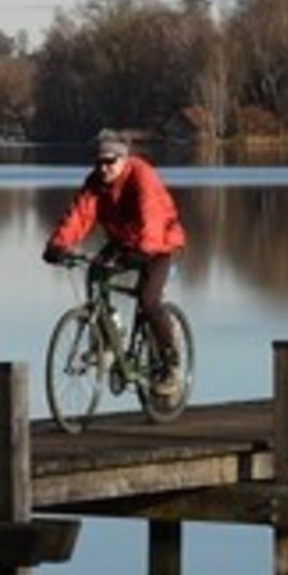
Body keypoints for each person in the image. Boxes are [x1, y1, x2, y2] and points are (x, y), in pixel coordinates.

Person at [42, 129, 188, 395]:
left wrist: (142, 250)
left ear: (124, 159)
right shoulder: (95, 184)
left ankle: (171, 365)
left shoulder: (141, 176)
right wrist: (58, 245)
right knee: (95, 273)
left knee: (148, 301)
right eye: (99, 162)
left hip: (159, 245)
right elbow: (79, 215)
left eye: (110, 162)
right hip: (125, 242)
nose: (104, 168)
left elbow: (151, 216)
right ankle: (108, 340)